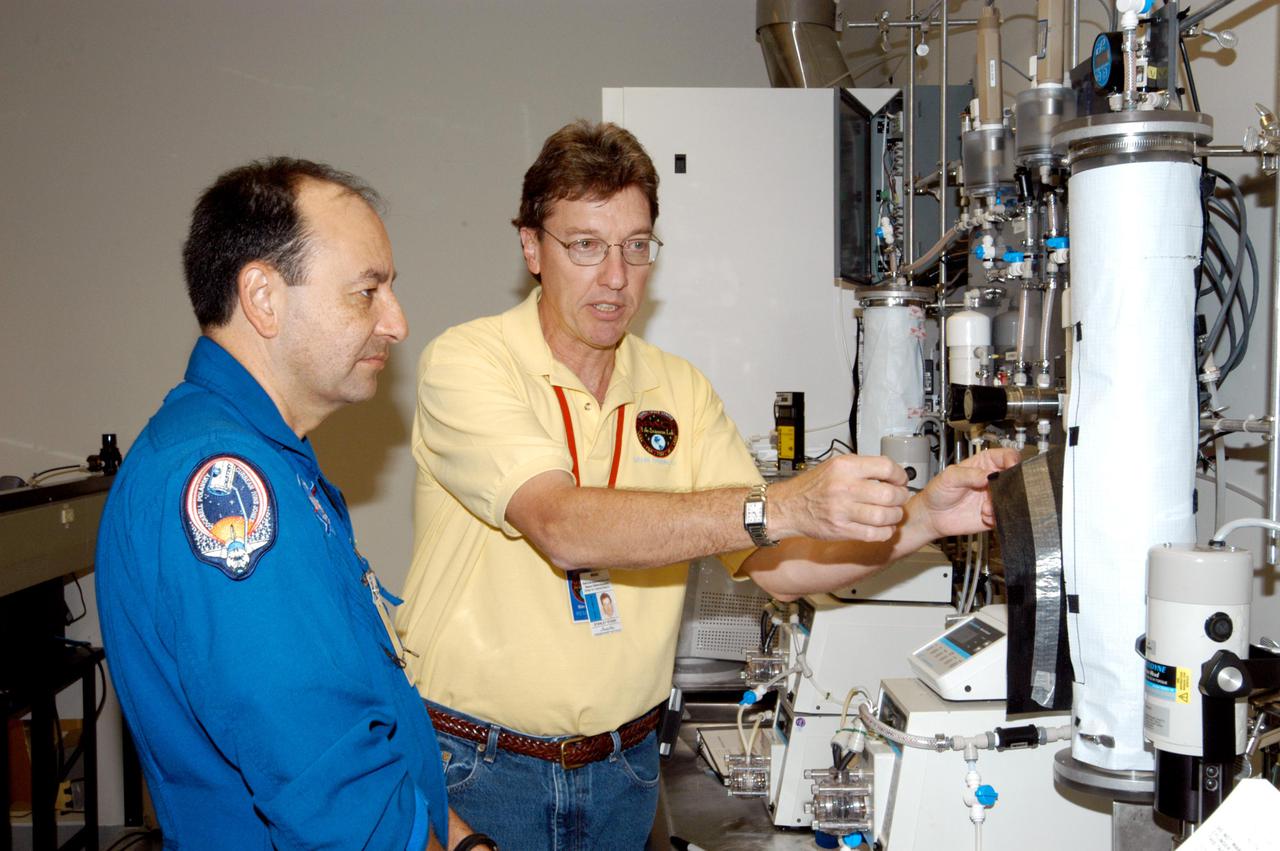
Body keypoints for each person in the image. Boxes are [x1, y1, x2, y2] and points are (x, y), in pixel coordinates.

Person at [395, 121, 1017, 849]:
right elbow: (562, 525)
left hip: (624, 771)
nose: (616, 276)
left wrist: (921, 520)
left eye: (636, 246)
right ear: (532, 247)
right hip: (480, 765)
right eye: (586, 245)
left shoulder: (677, 390)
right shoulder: (470, 362)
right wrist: (783, 502)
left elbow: (783, 568)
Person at [95, 158, 488, 850]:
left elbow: (365, 713)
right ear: (263, 297)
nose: (397, 321)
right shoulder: (222, 478)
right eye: (366, 291)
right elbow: (328, 785)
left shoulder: (274, 459)